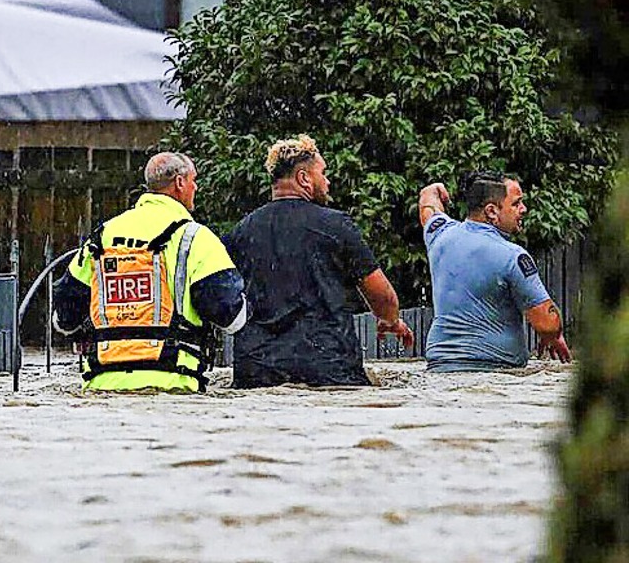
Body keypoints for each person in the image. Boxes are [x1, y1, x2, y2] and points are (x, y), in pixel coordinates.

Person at [224, 134, 414, 388]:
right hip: (327, 368)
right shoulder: (336, 226)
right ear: (303, 178)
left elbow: (221, 294)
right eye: (322, 173)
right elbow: (383, 296)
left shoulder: (241, 231)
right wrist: (390, 320)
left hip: (256, 371)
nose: (327, 181)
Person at [53, 152, 248, 392]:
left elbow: (64, 319)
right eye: (193, 180)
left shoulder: (102, 236)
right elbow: (232, 317)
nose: (195, 187)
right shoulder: (195, 238)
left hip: (101, 388)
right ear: (179, 183)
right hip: (174, 385)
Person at [419, 171, 571, 372]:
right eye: (516, 204)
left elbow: (427, 207)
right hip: (496, 372)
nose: (523, 209)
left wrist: (432, 190)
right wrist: (555, 334)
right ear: (491, 212)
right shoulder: (512, 256)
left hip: (439, 368)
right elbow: (547, 323)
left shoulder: (439, 234)